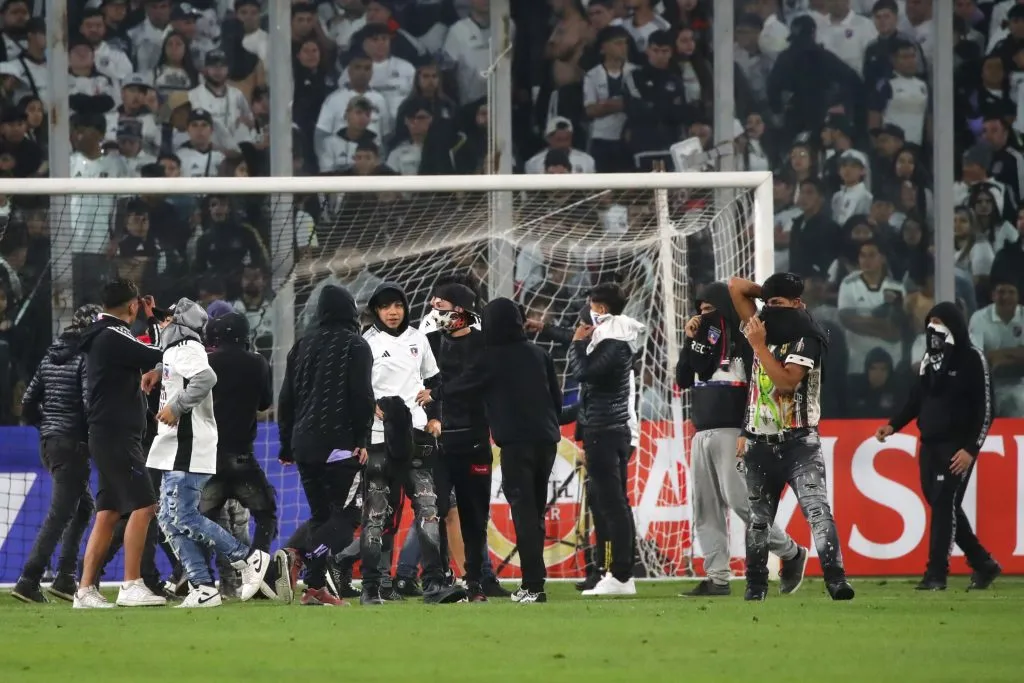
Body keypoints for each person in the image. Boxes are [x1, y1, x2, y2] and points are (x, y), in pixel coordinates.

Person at [728, 273, 854, 601]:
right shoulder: (761, 325)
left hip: (799, 443)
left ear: (798, 304)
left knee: (817, 511)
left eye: (778, 303)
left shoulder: (807, 338)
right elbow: (735, 286)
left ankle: (836, 580)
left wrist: (758, 345)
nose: (770, 309)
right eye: (767, 303)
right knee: (758, 521)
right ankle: (756, 586)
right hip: (760, 442)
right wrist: (772, 294)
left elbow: (786, 383)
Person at [675, 283, 807, 597]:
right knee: (706, 508)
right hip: (701, 431)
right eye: (700, 310)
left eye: (710, 309)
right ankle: (717, 578)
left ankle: (790, 552)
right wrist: (689, 340)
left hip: (733, 431)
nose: (704, 316)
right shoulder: (702, 346)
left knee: (740, 502)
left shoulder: (744, 342)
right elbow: (682, 379)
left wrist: (748, 431)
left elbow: (756, 389)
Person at [437, 297, 563, 603]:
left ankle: (533, 586)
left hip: (516, 445)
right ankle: (535, 582)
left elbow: (461, 387)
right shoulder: (540, 354)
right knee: (536, 512)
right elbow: (556, 400)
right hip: (547, 441)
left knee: (524, 512)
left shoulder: (490, 357)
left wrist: (432, 393)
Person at [146, 298, 270, 608]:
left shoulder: (186, 347)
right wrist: (160, 370)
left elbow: (206, 378)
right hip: (175, 444)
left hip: (187, 444)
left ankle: (248, 558)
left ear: (181, 323)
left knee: (184, 515)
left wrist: (177, 406)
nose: (162, 323)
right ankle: (202, 586)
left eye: (167, 318)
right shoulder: (176, 349)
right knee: (169, 519)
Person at [876, 302, 1002, 591]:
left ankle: (936, 573)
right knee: (943, 505)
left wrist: (971, 449)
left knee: (945, 504)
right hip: (930, 444)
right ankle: (983, 563)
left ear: (954, 324)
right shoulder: (929, 360)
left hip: (957, 446)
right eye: (930, 322)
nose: (934, 328)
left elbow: (986, 410)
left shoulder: (972, 358)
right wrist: (894, 425)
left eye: (940, 322)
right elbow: (917, 399)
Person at [359, 282, 465, 605]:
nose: (393, 312)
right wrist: (369, 407)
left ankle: (434, 583)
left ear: (406, 308)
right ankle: (372, 587)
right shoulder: (366, 342)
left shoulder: (419, 339)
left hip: (418, 436)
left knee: (429, 510)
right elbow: (357, 387)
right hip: (380, 438)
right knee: (377, 514)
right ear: (376, 311)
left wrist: (435, 416)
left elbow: (433, 380)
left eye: (398, 306)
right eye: (386, 307)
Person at [278, 284, 375, 607]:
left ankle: (315, 588)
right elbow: (362, 396)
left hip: (303, 445)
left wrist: (285, 445)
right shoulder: (356, 345)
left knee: (321, 517)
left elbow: (286, 400)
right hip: (339, 445)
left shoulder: (301, 345)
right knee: (346, 522)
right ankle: (300, 554)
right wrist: (361, 439)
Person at [74, 279, 166, 608]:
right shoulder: (113, 334)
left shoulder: (104, 335)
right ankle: (131, 584)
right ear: (132, 305)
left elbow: (145, 355)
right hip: (116, 435)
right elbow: (158, 353)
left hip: (106, 434)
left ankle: (85, 590)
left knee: (109, 513)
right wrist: (156, 320)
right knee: (144, 506)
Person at [417, 280, 502, 601]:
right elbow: (419, 386)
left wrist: (439, 394)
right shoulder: (427, 343)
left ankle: (477, 581)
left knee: (474, 515)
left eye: (441, 306)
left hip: (474, 440)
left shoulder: (484, 345)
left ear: (460, 310)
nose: (434, 312)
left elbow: (479, 383)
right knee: (433, 510)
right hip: (436, 442)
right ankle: (436, 579)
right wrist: (431, 416)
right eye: (433, 305)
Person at [202, 311, 292, 602]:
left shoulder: (206, 362)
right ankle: (258, 564)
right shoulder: (258, 362)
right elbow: (264, 403)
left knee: (204, 521)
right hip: (242, 456)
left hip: (209, 457)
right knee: (266, 514)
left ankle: (202, 579)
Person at [12, 305, 100, 604]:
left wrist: (48, 426)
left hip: (49, 443)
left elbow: (27, 402)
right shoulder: (87, 358)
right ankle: (29, 579)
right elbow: (89, 405)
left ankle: (65, 577)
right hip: (72, 445)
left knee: (83, 507)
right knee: (60, 514)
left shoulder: (50, 355)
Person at [568, 283, 642, 597]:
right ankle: (613, 572)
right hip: (607, 430)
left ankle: (621, 575)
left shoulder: (614, 344)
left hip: (607, 432)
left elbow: (583, 372)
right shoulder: (613, 340)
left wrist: (576, 344)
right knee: (609, 504)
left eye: (591, 305)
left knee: (612, 504)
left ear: (600, 308)